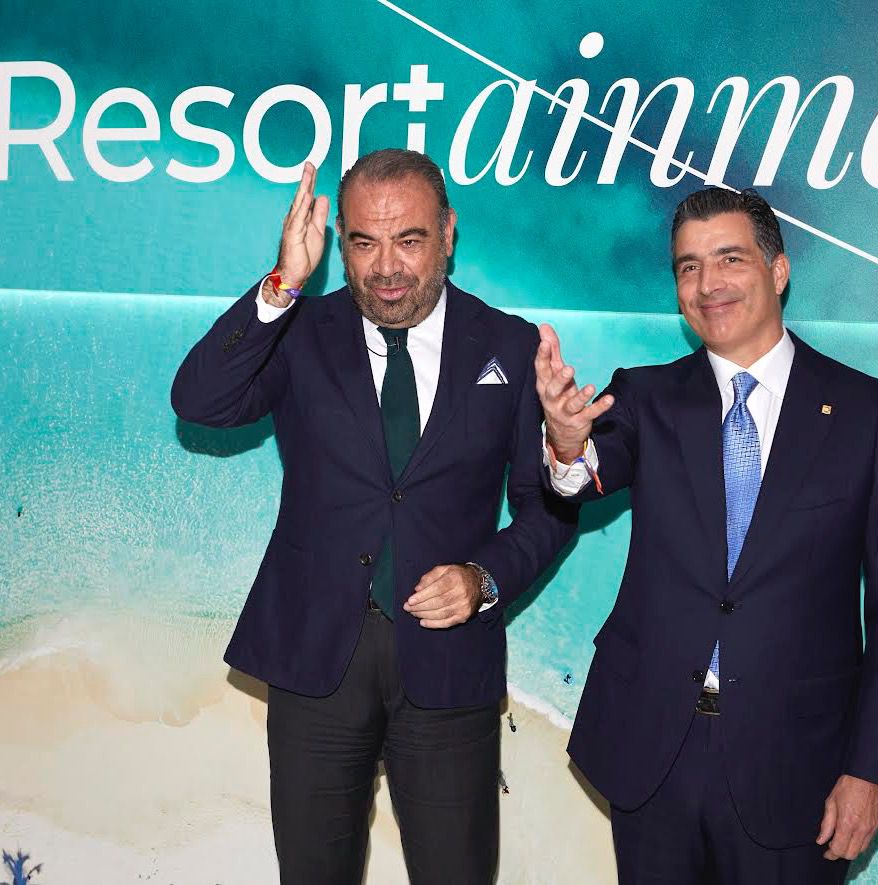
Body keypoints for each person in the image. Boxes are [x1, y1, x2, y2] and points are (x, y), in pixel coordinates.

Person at [172, 149, 576, 885]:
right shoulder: (299, 330)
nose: (386, 267)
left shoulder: (509, 346)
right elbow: (200, 401)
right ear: (341, 241)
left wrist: (483, 578)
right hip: (316, 657)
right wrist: (283, 282)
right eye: (363, 242)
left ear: (447, 233)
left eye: (409, 240)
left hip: (449, 663)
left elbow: (549, 507)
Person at [537, 187, 878, 884]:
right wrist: (567, 443)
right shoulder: (645, 396)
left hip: (796, 764)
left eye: (729, 259)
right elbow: (584, 475)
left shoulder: (869, 415)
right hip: (654, 748)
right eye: (687, 266)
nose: (707, 283)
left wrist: (869, 769)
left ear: (777, 270)